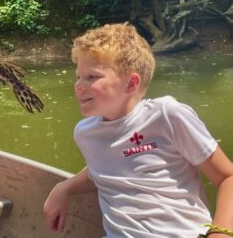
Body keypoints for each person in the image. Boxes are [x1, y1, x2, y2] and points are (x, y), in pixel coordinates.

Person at [43, 23, 233, 237]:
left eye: (91, 77)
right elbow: (104, 168)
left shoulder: (166, 115)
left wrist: (221, 232)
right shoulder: (85, 133)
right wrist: (64, 188)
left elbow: (227, 177)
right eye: (78, 76)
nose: (78, 85)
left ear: (131, 84)